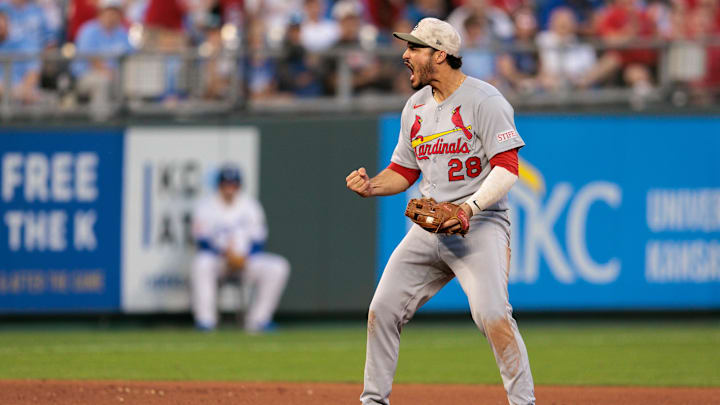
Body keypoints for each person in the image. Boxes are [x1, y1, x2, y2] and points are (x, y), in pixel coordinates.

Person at [345, 17, 535, 405]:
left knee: (494, 315)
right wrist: (371, 187)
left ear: (441, 55)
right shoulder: (414, 107)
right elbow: (404, 170)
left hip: (480, 226)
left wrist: (468, 208)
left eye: (414, 48)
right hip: (428, 230)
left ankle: (523, 402)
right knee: (382, 309)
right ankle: (372, 401)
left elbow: (507, 169)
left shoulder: (485, 100)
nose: (405, 54)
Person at [191, 163, 290, 334]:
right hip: (218, 261)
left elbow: (259, 240)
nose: (230, 188)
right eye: (226, 184)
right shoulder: (205, 206)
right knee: (201, 263)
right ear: (219, 185)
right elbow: (202, 242)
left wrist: (244, 258)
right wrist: (225, 255)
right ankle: (205, 321)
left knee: (278, 267)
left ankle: (258, 321)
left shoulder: (250, 205)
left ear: (239, 185)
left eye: (233, 184)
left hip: (246, 260)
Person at [72, 0, 133, 120]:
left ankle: (131, 120)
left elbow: (131, 56)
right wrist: (108, 72)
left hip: (116, 75)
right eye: (109, 11)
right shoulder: (88, 30)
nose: (112, 16)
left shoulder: (122, 32)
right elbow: (90, 58)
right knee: (103, 82)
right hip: (86, 75)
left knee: (131, 81)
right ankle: (101, 124)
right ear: (100, 13)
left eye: (115, 12)